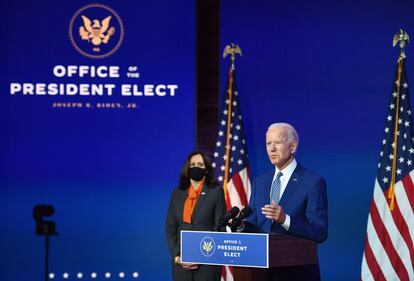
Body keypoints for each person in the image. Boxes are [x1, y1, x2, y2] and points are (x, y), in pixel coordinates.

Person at [244, 122, 328, 280]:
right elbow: (254, 222)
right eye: (268, 143)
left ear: (293, 147)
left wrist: (285, 220)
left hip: (297, 273)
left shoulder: (312, 181)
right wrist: (240, 225)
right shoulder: (260, 182)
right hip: (262, 274)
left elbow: (319, 232)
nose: (272, 148)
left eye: (278, 142)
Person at [165, 151, 226, 281]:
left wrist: (200, 256)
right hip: (181, 264)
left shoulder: (215, 192)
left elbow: (220, 228)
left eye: (200, 164)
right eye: (192, 164)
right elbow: (170, 228)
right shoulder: (177, 193)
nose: (196, 167)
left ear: (206, 169)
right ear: (187, 168)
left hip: (207, 264)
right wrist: (177, 256)